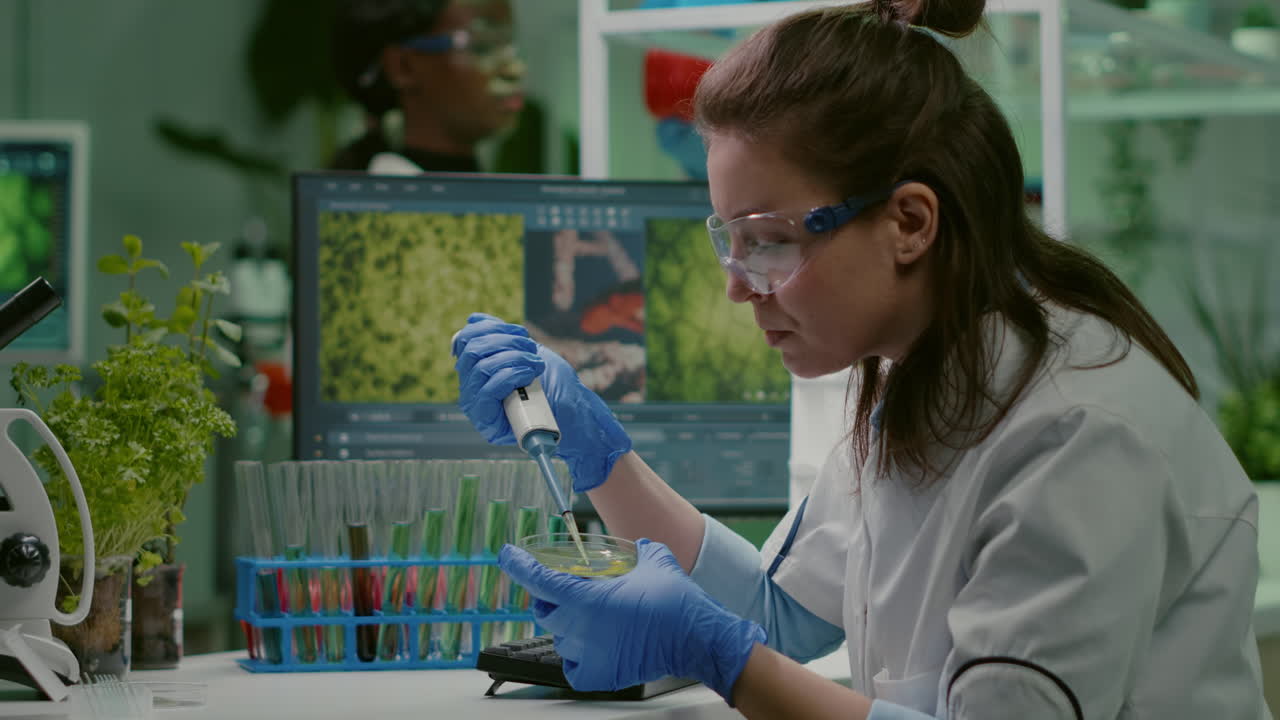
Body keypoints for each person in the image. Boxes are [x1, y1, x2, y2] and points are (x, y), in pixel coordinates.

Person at [450, 1, 1271, 717]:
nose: (741, 289)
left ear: (911, 221)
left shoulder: (1079, 435)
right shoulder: (919, 374)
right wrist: (604, 458)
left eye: (768, 242)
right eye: (728, 244)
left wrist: (720, 661)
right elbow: (779, 614)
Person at [329, 0, 526, 173]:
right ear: (404, 67)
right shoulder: (385, 204)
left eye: (509, 44)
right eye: (482, 47)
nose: (515, 69)